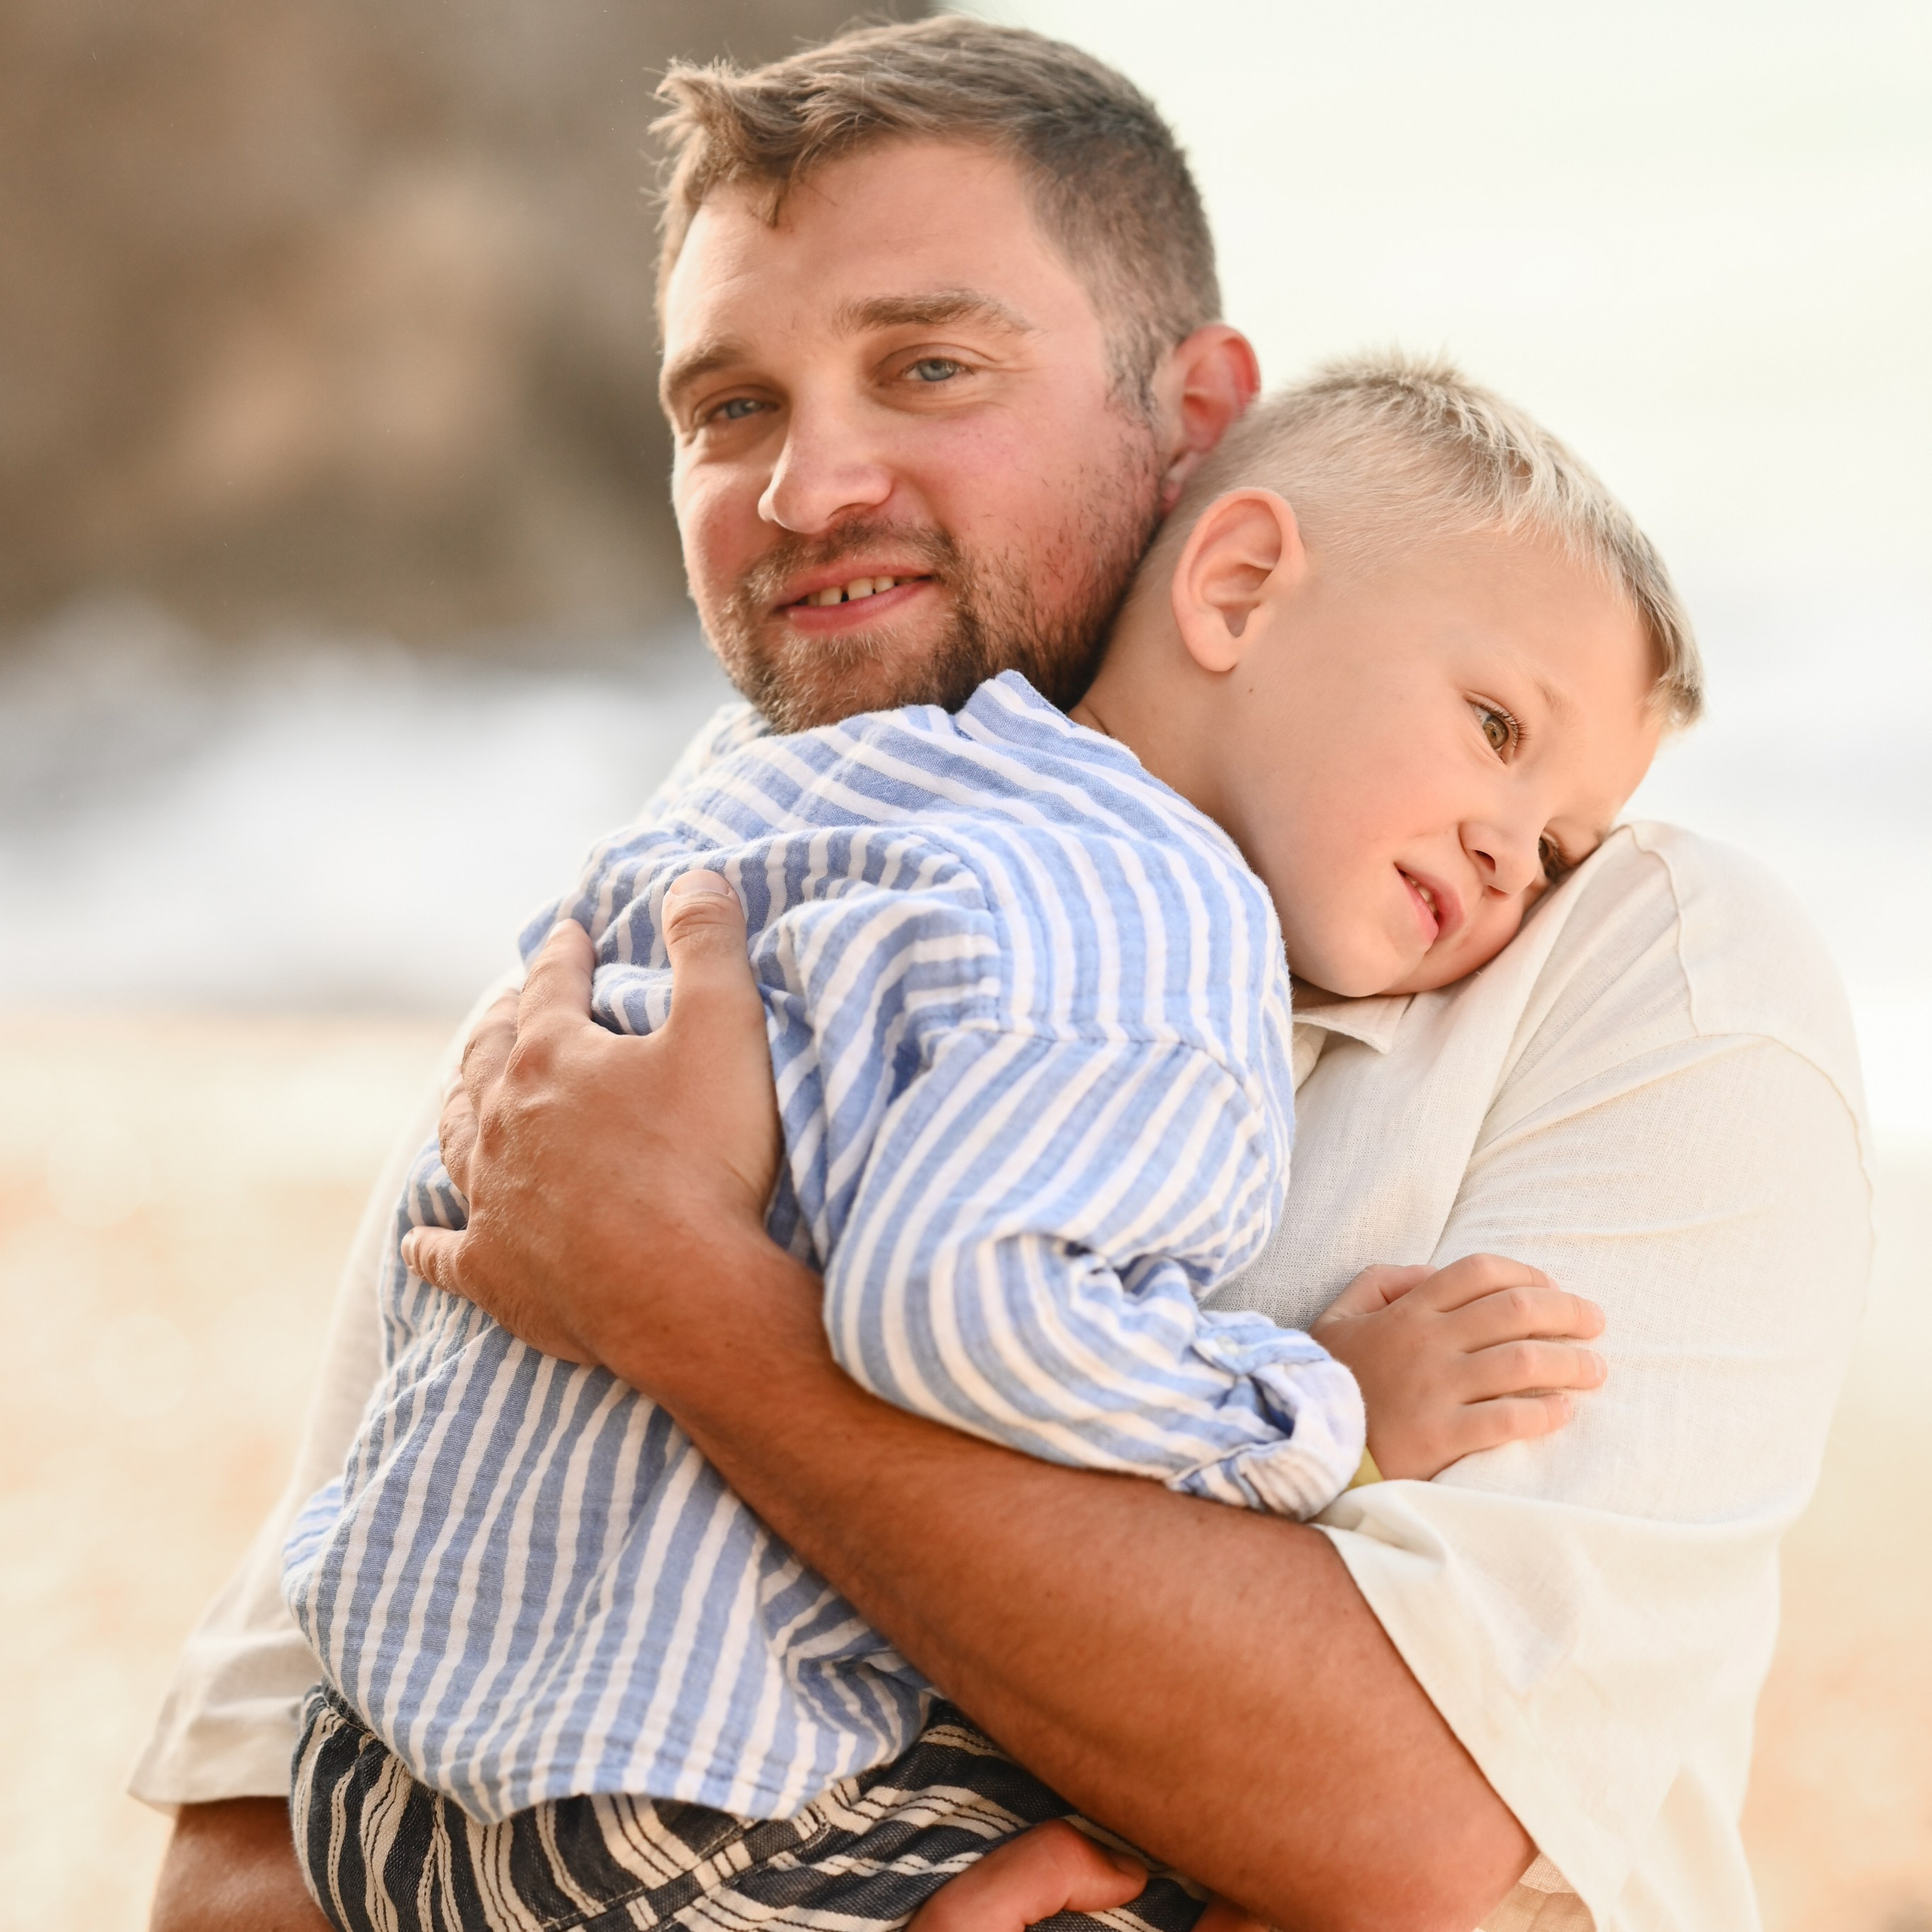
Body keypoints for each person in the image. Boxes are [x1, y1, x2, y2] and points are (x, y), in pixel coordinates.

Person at [137, 18, 1871, 1932]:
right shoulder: (704, 884)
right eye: (724, 409)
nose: (806, 486)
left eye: (928, 364)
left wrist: (695, 1312)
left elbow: (1412, 1816)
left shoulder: (1633, 968)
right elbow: (246, 1857)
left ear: (1199, 416)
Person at [281, 358, 1655, 1932]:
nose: (1505, 855)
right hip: (676, 1812)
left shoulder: (826, 777)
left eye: (1557, 850)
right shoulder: (1165, 917)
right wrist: (1326, 1413)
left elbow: (501, 1126)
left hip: (372, 1763)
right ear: (1237, 582)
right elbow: (950, 1308)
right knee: (1240, 1847)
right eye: (1493, 725)